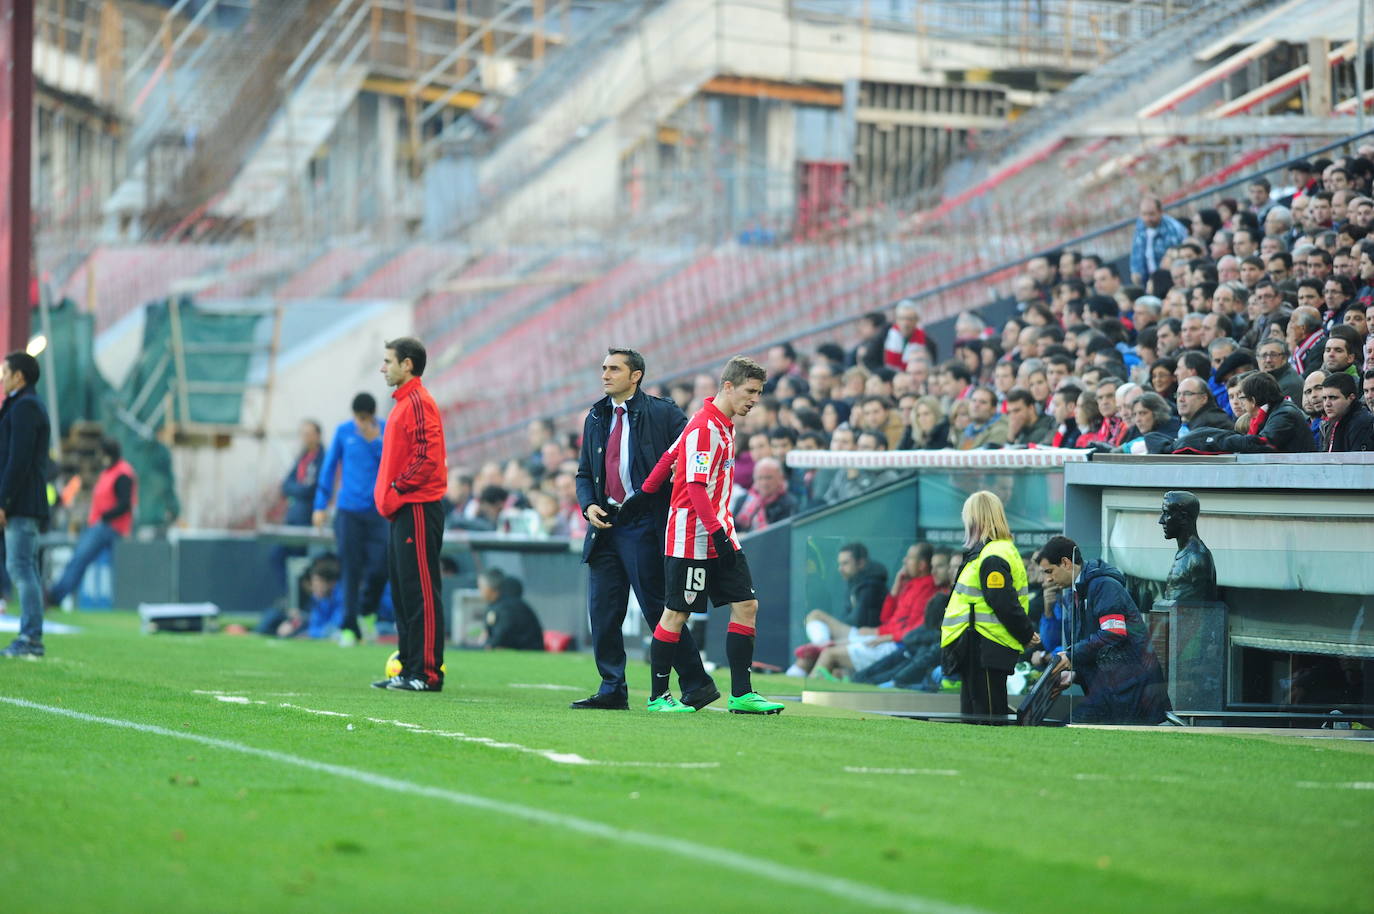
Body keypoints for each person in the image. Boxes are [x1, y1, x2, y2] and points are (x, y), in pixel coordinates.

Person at [571, 348, 716, 711]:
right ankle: (612, 687)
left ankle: (697, 683)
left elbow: (688, 453)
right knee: (603, 611)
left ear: (635, 375)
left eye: (614, 369)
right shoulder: (595, 415)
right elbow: (585, 473)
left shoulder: (663, 413)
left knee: (656, 609)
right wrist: (588, 504)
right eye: (603, 368)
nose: (605, 375)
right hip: (605, 524)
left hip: (645, 523)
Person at [638, 355, 783, 714]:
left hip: (720, 530)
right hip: (694, 535)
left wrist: (645, 491)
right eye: (750, 391)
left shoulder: (721, 425)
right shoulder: (705, 428)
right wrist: (641, 501)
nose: (755, 399)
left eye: (760, 393)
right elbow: (695, 487)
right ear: (728, 386)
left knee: (747, 605)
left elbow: (668, 459)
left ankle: (743, 694)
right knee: (676, 613)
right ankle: (658, 697)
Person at [371, 337, 448, 692]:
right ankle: (408, 666)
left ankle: (427, 672)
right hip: (402, 509)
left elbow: (428, 455)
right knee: (404, 592)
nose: (383, 368)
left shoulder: (418, 401)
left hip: (416, 506)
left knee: (420, 591)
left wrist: (398, 489)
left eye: (389, 361)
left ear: (408, 365)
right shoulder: (403, 403)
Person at [1034, 535, 1171, 725]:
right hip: (1114, 690)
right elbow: (1097, 646)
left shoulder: (1104, 586)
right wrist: (1075, 673)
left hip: (1132, 694)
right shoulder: (1078, 592)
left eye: (1049, 571)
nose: (1047, 579)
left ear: (1065, 563)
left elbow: (1113, 633)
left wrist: (1071, 656)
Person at [940, 490, 1038, 720]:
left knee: (987, 717)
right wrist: (1025, 632)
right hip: (983, 644)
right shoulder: (997, 551)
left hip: (983, 644)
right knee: (978, 715)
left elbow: (1002, 602)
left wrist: (1025, 633)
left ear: (975, 518)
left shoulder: (992, 555)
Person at [313, 393, 388, 646]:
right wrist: (320, 505)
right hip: (348, 511)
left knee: (380, 567)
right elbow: (329, 467)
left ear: (373, 415)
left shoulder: (386, 430)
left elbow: (393, 464)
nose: (360, 423)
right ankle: (349, 627)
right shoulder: (343, 431)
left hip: (379, 511)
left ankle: (367, 611)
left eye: (365, 418)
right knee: (350, 569)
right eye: (358, 418)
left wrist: (375, 442)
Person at [803, 543, 937, 680]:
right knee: (816, 620)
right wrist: (896, 588)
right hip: (880, 637)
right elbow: (886, 618)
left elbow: (913, 630)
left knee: (828, 654)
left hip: (894, 645)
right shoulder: (909, 584)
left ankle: (809, 689)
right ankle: (819, 647)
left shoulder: (929, 589)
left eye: (909, 558)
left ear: (922, 565)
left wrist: (881, 634)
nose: (904, 561)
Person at [45, 437, 137, 609]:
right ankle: (56, 595)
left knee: (79, 558)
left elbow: (125, 504)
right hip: (100, 525)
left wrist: (104, 517)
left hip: (110, 527)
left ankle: (54, 595)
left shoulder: (122, 473)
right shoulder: (109, 472)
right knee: (79, 559)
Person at [0, 353, 51, 659]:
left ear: (20, 376)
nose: (2, 377)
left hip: (22, 502)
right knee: (22, 566)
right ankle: (30, 635)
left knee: (21, 567)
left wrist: (3, 500)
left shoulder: (26, 407)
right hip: (21, 501)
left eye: (5, 371)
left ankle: (31, 637)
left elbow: (18, 461)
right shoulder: (20, 405)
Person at [268, 420, 322, 601]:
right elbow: (285, 484)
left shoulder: (321, 458)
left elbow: (311, 490)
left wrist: (297, 489)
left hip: (306, 523)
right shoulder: (302, 457)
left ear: (317, 435)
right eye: (303, 434)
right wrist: (298, 489)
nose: (305, 438)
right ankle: (289, 597)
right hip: (292, 521)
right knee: (277, 556)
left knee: (302, 565)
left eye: (308, 434)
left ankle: (300, 603)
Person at [477, 567, 545, 651]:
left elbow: (502, 635)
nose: (480, 591)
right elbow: (488, 633)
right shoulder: (493, 605)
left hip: (528, 651)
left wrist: (489, 645)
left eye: (481, 587)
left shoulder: (508, 607)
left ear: (490, 588)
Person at [732, 457, 796, 533]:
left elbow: (781, 533)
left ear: (780, 478)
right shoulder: (742, 500)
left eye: (768, 478)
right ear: (754, 479)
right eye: (760, 478)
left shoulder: (788, 503)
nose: (764, 483)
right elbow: (732, 529)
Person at [1319, 372, 1374, 452]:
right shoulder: (1326, 425)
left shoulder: (1362, 423)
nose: (1327, 404)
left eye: (1333, 398)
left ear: (1351, 398)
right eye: (1324, 398)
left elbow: (1357, 462)